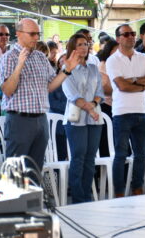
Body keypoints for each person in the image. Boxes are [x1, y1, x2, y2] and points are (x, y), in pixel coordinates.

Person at [0, 18, 80, 171]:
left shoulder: (41, 57)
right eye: (32, 34)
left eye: (38, 34)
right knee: (15, 173)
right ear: (19, 34)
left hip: (41, 120)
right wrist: (20, 65)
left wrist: (67, 70)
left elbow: (50, 86)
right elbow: (7, 90)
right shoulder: (8, 57)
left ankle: (34, 196)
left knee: (35, 171)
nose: (36, 37)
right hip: (19, 120)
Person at [106, 24, 145, 197]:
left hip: (142, 112)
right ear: (118, 38)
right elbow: (121, 86)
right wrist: (142, 86)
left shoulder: (143, 58)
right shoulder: (113, 60)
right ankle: (119, 192)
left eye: (133, 33)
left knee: (141, 154)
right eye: (126, 34)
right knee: (120, 155)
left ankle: (137, 189)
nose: (130, 36)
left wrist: (133, 80)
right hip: (121, 113)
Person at [61, 34, 104, 203]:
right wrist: (89, 108)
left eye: (86, 44)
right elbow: (73, 95)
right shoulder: (67, 69)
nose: (84, 47)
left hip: (94, 119)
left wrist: (93, 105)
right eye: (79, 44)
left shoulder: (94, 68)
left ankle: (87, 196)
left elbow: (100, 92)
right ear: (72, 48)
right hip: (75, 119)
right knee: (78, 158)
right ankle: (78, 199)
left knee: (90, 159)